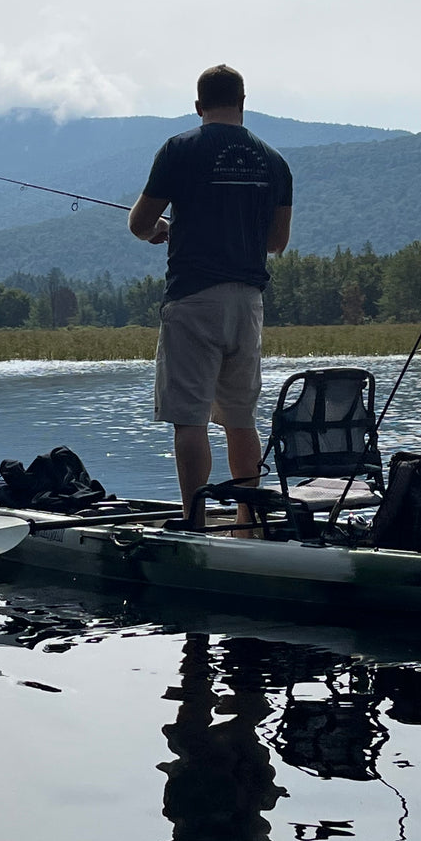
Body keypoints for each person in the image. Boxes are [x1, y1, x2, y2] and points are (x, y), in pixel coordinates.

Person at [128, 64, 292, 528]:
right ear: (243, 103)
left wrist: (161, 230)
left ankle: (194, 520)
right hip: (249, 304)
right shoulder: (274, 161)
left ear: (198, 106)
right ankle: (247, 518)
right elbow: (277, 242)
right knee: (241, 417)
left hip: (194, 299)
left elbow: (140, 223)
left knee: (190, 418)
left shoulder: (179, 150)